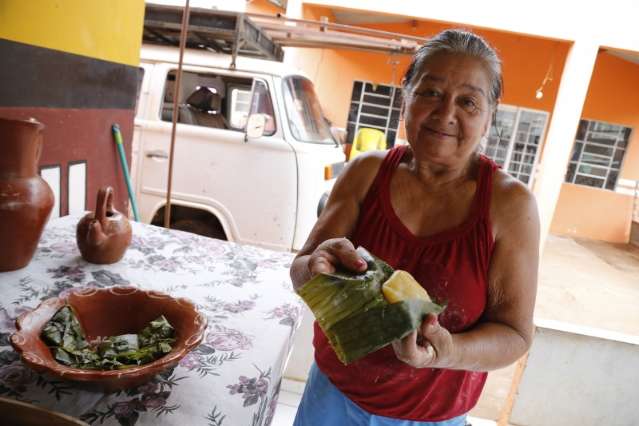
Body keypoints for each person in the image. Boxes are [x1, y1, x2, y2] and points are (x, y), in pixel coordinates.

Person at [290, 29, 539, 426]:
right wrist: (316, 265)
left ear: (489, 117)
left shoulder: (510, 205)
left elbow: (515, 335)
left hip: (433, 417)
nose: (446, 115)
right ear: (406, 96)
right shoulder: (366, 172)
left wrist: (447, 351)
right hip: (333, 397)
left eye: (468, 102)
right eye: (431, 93)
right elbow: (301, 270)